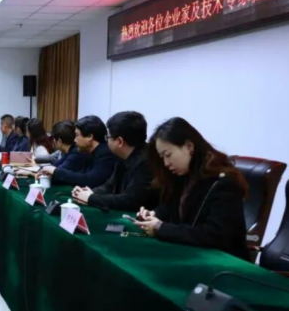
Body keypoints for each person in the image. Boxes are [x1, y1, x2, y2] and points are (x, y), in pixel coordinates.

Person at [134, 118, 249, 260]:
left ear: (189, 146)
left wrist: (161, 228)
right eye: (162, 157)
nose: (166, 163)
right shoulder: (185, 175)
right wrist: (154, 214)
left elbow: (215, 234)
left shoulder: (224, 183)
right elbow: (172, 207)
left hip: (223, 262)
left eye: (168, 155)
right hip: (192, 254)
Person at [72, 111, 155, 212]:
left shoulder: (147, 161)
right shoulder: (121, 156)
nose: (107, 141)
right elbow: (110, 186)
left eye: (108, 137)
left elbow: (130, 200)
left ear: (120, 141)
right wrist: (89, 192)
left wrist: (91, 198)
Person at [39, 116, 115, 188]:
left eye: (77, 135)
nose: (74, 140)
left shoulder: (105, 154)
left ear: (89, 137)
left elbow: (90, 180)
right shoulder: (87, 151)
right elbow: (79, 175)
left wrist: (56, 171)